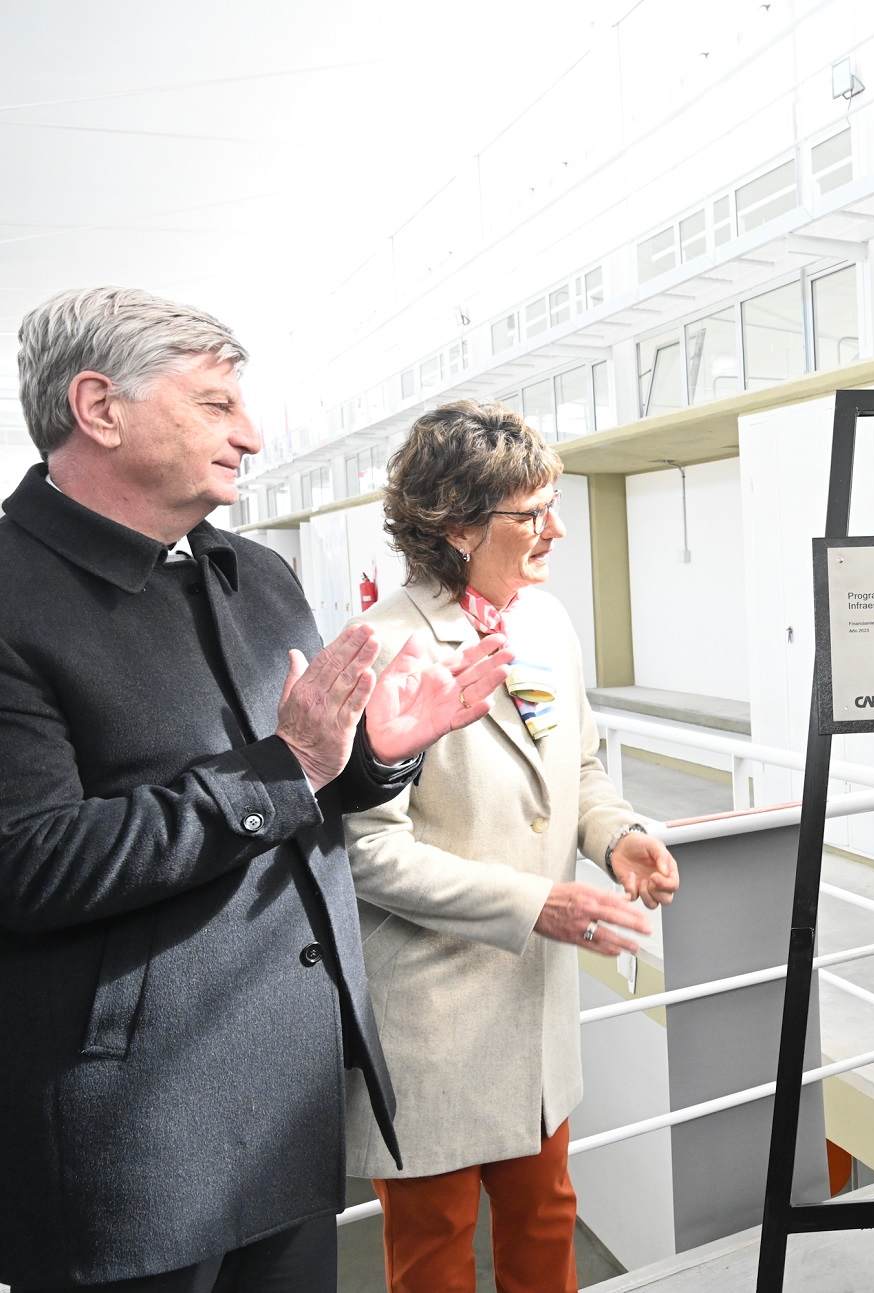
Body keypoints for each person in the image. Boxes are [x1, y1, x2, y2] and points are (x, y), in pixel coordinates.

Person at [0, 287, 514, 1291]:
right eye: (213, 403)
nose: (252, 433)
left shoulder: (256, 575)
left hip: (283, 1103)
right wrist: (292, 765)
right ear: (100, 409)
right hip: (131, 1146)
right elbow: (29, 863)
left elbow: (302, 788)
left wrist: (379, 757)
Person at [341, 400, 680, 1293]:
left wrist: (619, 836)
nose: (556, 530)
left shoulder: (546, 624)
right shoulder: (382, 651)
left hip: (532, 1008)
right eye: (532, 513)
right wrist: (536, 903)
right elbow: (368, 851)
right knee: (435, 1255)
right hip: (431, 1015)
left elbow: (579, 766)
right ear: (455, 526)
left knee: (545, 1224)